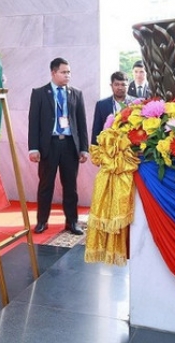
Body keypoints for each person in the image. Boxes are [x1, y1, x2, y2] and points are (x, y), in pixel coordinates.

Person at [28, 57, 89, 236]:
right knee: (45, 185)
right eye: (63, 72)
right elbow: (34, 123)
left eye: (69, 72)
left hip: (70, 145)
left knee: (70, 186)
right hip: (49, 145)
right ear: (53, 73)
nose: (67, 75)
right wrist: (33, 148)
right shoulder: (39, 93)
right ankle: (42, 221)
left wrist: (83, 148)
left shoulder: (76, 93)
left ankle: (72, 222)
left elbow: (81, 123)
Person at [91, 71, 133, 145]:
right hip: (108, 148)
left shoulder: (136, 104)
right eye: (116, 84)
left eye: (123, 85)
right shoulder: (101, 105)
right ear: (111, 85)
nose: (120, 88)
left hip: (131, 148)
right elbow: (96, 130)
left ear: (128, 86)